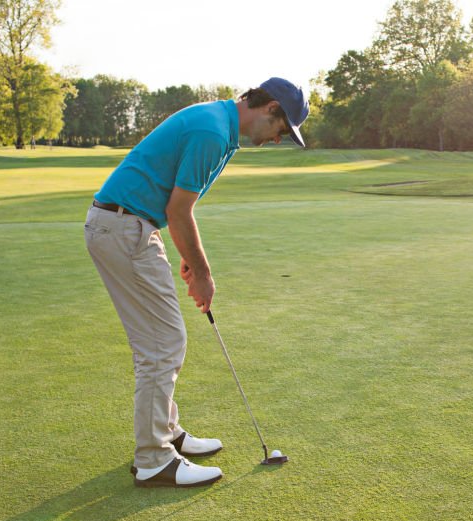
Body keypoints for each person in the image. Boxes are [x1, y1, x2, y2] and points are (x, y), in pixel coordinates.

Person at [84, 77, 308, 488]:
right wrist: (202, 274)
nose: (279, 140)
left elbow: (172, 205)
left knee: (159, 342)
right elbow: (179, 211)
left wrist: (190, 259)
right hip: (124, 227)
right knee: (162, 344)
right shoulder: (211, 131)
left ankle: (166, 433)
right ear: (271, 108)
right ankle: (153, 458)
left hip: (128, 225)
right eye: (282, 130)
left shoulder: (219, 127)